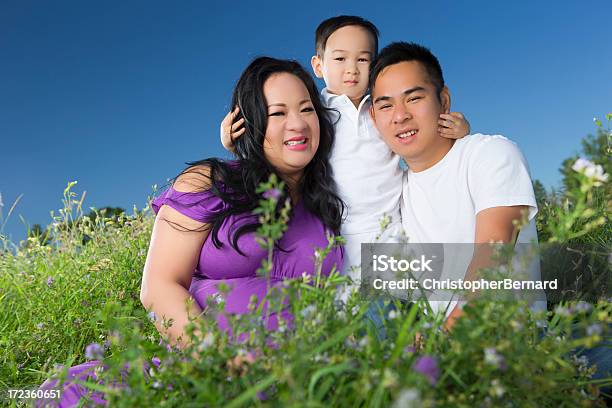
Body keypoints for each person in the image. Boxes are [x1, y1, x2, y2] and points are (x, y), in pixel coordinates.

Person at [36, 56, 345, 407]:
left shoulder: (331, 202)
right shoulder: (209, 183)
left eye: (306, 109)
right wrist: (220, 362)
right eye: (278, 113)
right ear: (248, 122)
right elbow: (159, 286)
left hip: (302, 384)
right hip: (203, 375)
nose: (298, 124)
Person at [221, 16, 471, 294]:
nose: (352, 69)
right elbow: (280, 151)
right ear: (318, 65)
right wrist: (236, 146)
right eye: (340, 59)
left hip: (396, 228)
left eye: (363, 60)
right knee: (354, 313)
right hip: (341, 237)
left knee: (422, 300)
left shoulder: (382, 108)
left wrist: (457, 127)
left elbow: (418, 134)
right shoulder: (315, 112)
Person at [368, 41, 544, 328]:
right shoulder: (395, 194)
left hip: (507, 347)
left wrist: (443, 347)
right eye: (385, 105)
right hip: (440, 355)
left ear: (444, 101)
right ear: (374, 119)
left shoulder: (490, 153)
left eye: (413, 98)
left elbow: (491, 258)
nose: (400, 116)